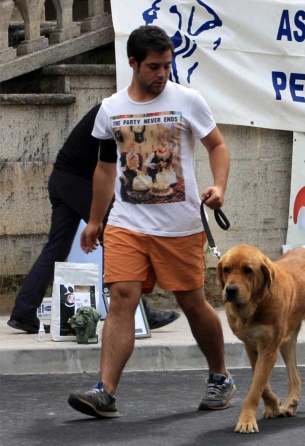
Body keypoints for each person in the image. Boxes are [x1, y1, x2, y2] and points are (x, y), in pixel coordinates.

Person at [68, 25, 236, 418]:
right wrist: (95, 221)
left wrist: (220, 187)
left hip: (180, 227)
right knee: (122, 299)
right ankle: (105, 391)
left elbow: (218, 145)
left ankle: (220, 375)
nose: (162, 74)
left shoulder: (189, 101)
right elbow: (106, 170)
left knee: (192, 302)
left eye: (167, 66)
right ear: (133, 63)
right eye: (154, 67)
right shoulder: (111, 110)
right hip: (127, 224)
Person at [7, 104, 180, 335]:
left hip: (62, 180)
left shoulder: (115, 108)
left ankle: (23, 310)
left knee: (57, 248)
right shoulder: (117, 110)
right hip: (78, 182)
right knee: (120, 239)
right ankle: (139, 310)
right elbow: (116, 165)